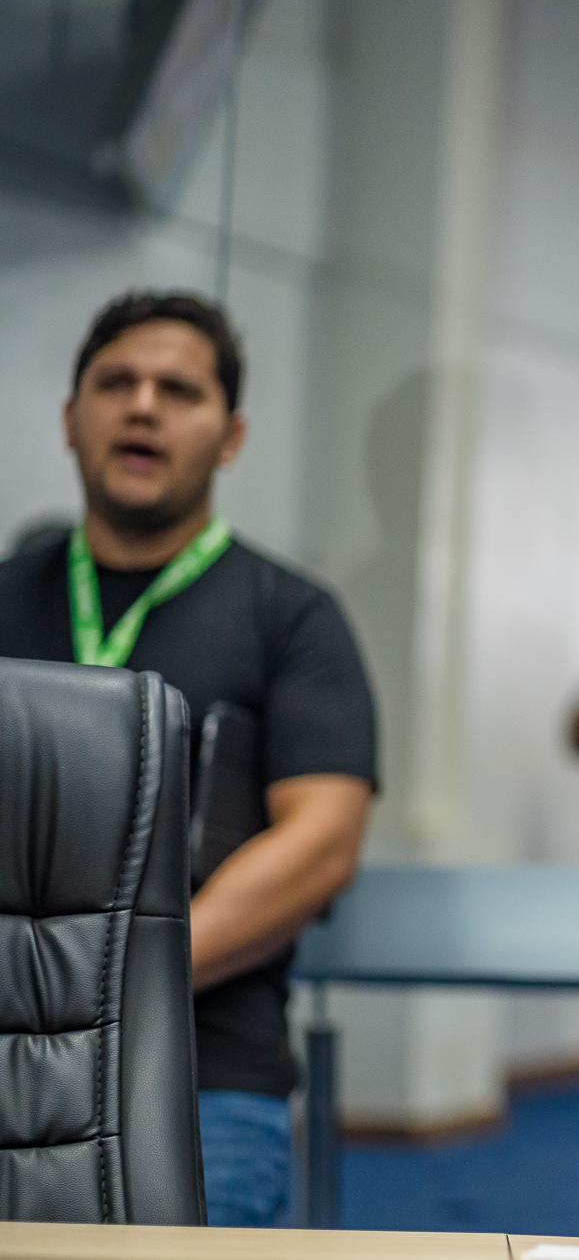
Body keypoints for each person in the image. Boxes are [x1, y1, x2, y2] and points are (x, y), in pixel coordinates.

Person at [0, 291, 377, 1228]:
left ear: (230, 436)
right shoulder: (6, 598)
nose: (143, 406)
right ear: (70, 418)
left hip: (201, 1076)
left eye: (179, 390)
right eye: (116, 383)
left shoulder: (293, 618)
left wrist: (105, 981)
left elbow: (321, 845)